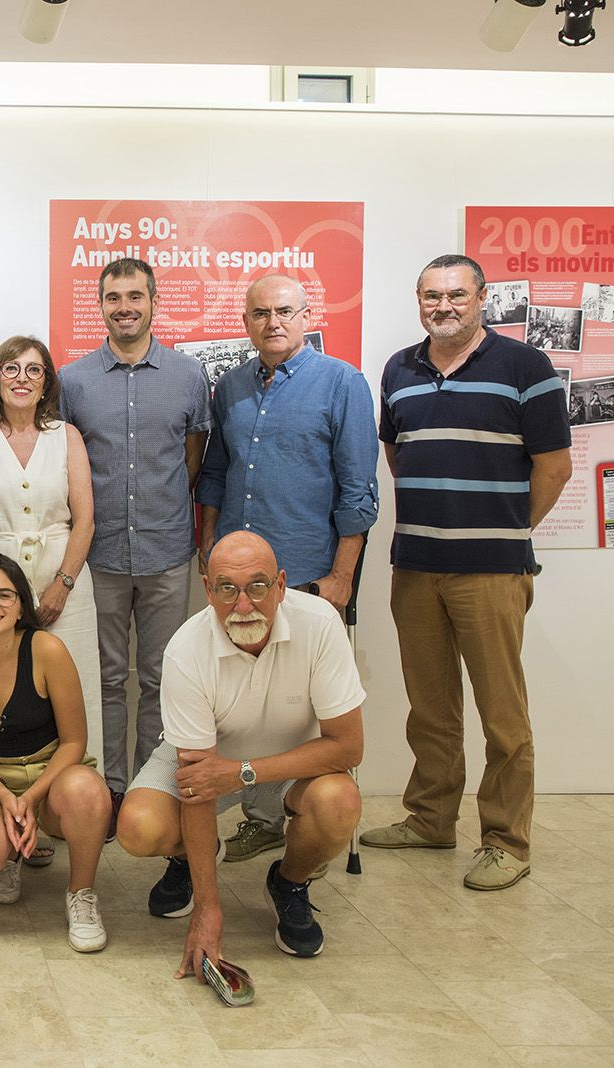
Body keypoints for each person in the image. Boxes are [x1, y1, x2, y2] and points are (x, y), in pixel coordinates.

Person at [360, 254, 572, 892]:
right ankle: (430, 819)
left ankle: (507, 841)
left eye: (455, 294)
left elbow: (554, 467)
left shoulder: (524, 367)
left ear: (482, 297)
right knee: (430, 707)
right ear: (417, 300)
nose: (442, 306)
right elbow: (398, 455)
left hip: (491, 570)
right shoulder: (399, 368)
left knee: (502, 714)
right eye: (430, 296)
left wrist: (505, 528)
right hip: (417, 564)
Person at [195, 275, 378, 865]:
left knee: (303, 700)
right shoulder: (230, 387)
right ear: (245, 320)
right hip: (235, 577)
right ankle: (260, 818)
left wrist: (343, 576)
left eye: (284, 311)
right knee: (246, 697)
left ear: (306, 314)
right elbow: (216, 474)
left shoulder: (343, 383)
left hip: (306, 571)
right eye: (259, 313)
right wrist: (207, 541)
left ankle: (305, 815)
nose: (272, 322)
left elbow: (358, 489)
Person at [119, 532, 363, 970]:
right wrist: (208, 909)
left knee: (340, 802)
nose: (244, 604)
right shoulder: (185, 651)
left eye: (257, 586)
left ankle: (289, 883)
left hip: (288, 767)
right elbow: (198, 781)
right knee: (138, 827)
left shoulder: (321, 623)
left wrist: (244, 771)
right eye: (227, 589)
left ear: (282, 585)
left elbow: (347, 747)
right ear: (209, 590)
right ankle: (192, 859)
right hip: (206, 766)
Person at [57, 257, 211, 833]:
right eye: (113, 297)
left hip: (166, 550)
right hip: (98, 558)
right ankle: (110, 788)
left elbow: (191, 460)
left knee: (161, 678)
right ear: (100, 305)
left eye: (135, 296)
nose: (124, 306)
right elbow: (68, 462)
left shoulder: (188, 374)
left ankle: (151, 786)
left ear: (153, 302)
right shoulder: (72, 381)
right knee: (104, 678)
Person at [0, 553, 112, 953]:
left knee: (89, 794)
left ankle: (81, 895)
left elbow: (74, 742)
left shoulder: (46, 648)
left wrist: (30, 799)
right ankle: (8, 853)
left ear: (20, 607)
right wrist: (5, 797)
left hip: (56, 773)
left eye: (4, 595)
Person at [0, 335, 100, 781]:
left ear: (46, 382)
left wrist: (63, 585)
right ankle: (1, 796)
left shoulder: (67, 436)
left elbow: (86, 520)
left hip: (64, 579)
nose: (22, 378)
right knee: (0, 686)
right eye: (11, 368)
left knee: (77, 690)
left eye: (34, 370)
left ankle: (75, 801)